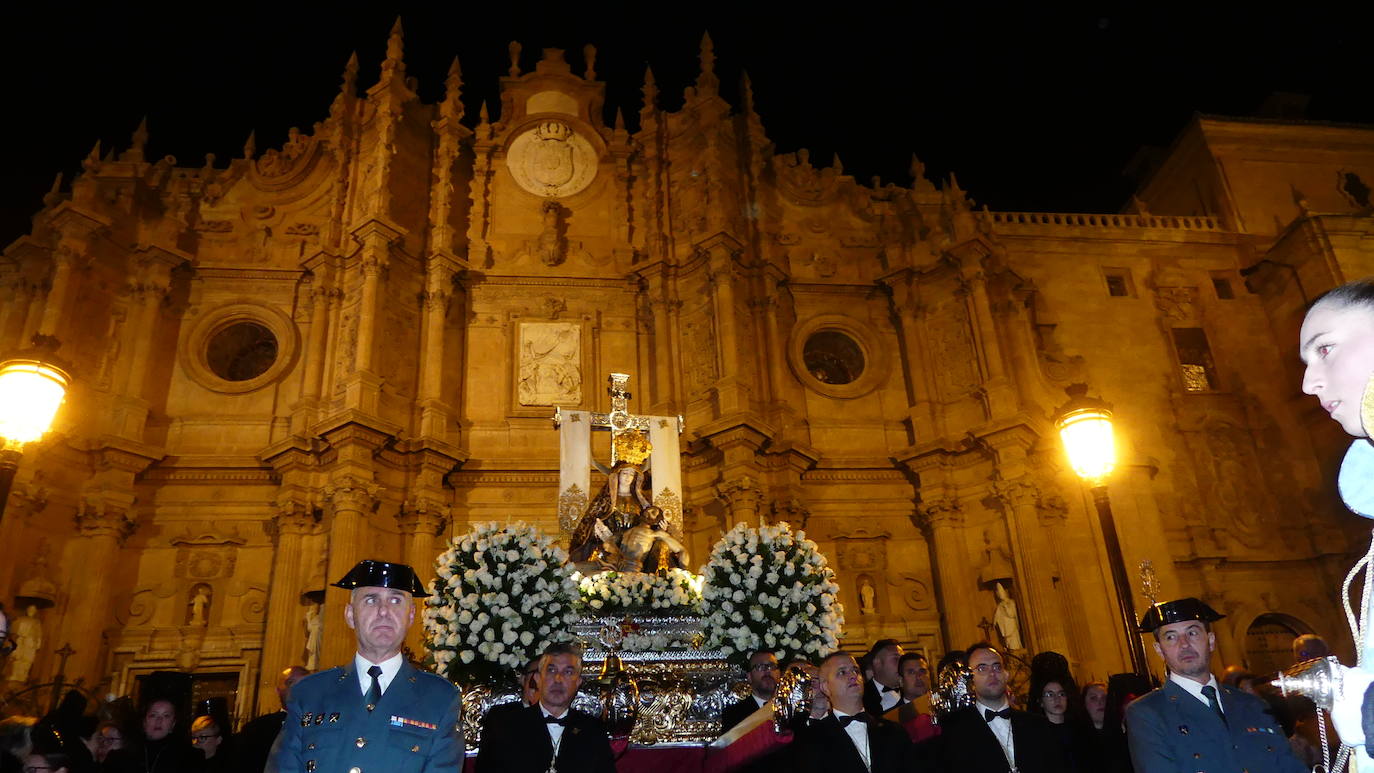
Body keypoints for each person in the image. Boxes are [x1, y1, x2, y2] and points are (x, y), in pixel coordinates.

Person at [271, 559, 464, 773]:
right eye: (371, 600)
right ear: (350, 615)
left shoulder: (440, 699)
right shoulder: (309, 694)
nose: (383, 611)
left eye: (395, 600)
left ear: (410, 616)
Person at [1125, 597, 1306, 773]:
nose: (1184, 644)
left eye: (1192, 633)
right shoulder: (1148, 713)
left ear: (1211, 640)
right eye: (1171, 637)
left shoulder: (1252, 705)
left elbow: (1289, 766)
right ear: (1159, 650)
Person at [924, 642, 1066, 772]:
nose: (992, 673)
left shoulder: (1038, 725)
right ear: (970, 678)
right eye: (982, 668)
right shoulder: (952, 729)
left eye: (997, 667)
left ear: (1006, 675)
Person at [475, 641, 616, 772]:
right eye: (551, 670)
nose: (558, 679)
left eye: (568, 672)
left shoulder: (593, 729)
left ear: (578, 682)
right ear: (537, 679)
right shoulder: (505, 725)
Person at [792, 651, 913, 773]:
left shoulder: (893, 730)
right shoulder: (811, 738)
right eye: (842, 672)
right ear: (826, 687)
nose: (853, 676)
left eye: (856, 671)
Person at [235, 665, 307, 773]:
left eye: (304, 684)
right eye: (291, 683)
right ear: (278, 690)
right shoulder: (256, 729)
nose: (298, 689)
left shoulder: (324, 726)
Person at [103, 698, 205, 773]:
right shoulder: (120, 756)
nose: (159, 720)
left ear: (173, 724)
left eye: (166, 716)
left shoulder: (190, 758)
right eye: (153, 715)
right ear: (144, 722)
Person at [721, 651, 780, 733]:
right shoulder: (733, 714)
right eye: (760, 666)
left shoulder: (790, 710)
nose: (767, 671)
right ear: (749, 677)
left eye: (772, 666)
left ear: (779, 674)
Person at [861, 640, 904, 716]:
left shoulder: (911, 693)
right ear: (877, 663)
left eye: (903, 660)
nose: (902, 664)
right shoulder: (860, 696)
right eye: (896, 659)